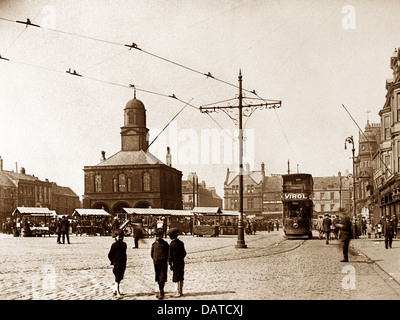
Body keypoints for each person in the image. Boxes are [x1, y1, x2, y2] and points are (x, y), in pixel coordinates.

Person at [108, 230, 127, 298]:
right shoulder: (114, 245)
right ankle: (117, 291)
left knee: (120, 276)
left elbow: (124, 254)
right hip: (117, 263)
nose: (120, 238)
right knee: (118, 277)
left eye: (121, 236)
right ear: (116, 237)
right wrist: (113, 262)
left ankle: (115, 290)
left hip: (123, 262)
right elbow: (110, 254)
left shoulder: (124, 244)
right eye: (119, 236)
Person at [168, 228, 186, 297]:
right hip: (181, 261)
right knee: (181, 275)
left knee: (176, 276)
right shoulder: (181, 243)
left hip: (175, 262)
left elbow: (170, 255)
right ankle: (181, 291)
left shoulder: (172, 244)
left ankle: (178, 292)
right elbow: (184, 253)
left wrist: (170, 263)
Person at [151, 230, 169, 299]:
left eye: (158, 235)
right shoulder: (154, 244)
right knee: (158, 277)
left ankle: (161, 291)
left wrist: (166, 259)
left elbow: (168, 253)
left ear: (161, 236)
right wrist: (155, 259)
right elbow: (152, 254)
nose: (157, 237)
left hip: (163, 262)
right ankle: (160, 290)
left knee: (162, 277)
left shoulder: (165, 244)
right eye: (155, 236)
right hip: (156, 262)